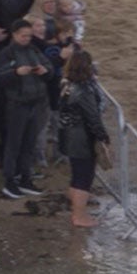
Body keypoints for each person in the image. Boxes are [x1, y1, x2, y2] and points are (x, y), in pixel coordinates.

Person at [0, 18, 51, 200]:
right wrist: (15, 73)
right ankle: (9, 182)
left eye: (29, 35)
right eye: (23, 36)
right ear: (14, 35)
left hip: (36, 103)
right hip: (17, 105)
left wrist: (45, 71)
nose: (27, 38)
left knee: (29, 143)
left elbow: (49, 67)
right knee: (13, 144)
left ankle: (26, 178)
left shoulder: (34, 49)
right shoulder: (6, 53)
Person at [56, 46, 109, 228]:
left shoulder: (66, 83)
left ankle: (75, 202)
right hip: (82, 139)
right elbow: (93, 117)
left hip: (69, 135)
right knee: (84, 177)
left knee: (77, 173)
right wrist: (103, 137)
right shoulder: (84, 89)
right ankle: (79, 216)